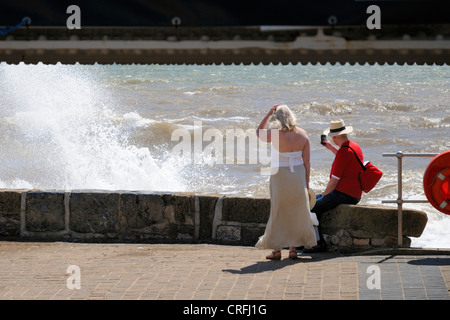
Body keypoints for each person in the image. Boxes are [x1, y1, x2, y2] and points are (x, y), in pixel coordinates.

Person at [255, 104, 317, 260]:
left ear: (277, 119)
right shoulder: (303, 134)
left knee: (278, 210)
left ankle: (276, 251)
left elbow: (258, 132)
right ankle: (293, 249)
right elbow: (307, 161)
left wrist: (269, 113)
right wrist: (306, 182)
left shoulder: (275, 134)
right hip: (298, 174)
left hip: (279, 175)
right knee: (295, 211)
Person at [306, 119, 363, 253]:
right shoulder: (353, 146)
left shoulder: (344, 152)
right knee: (314, 200)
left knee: (313, 207)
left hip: (344, 194)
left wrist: (325, 195)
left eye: (333, 138)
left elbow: (334, 182)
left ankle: (319, 243)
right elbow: (345, 159)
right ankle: (311, 240)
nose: (332, 139)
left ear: (336, 137)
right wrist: (330, 147)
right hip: (353, 193)